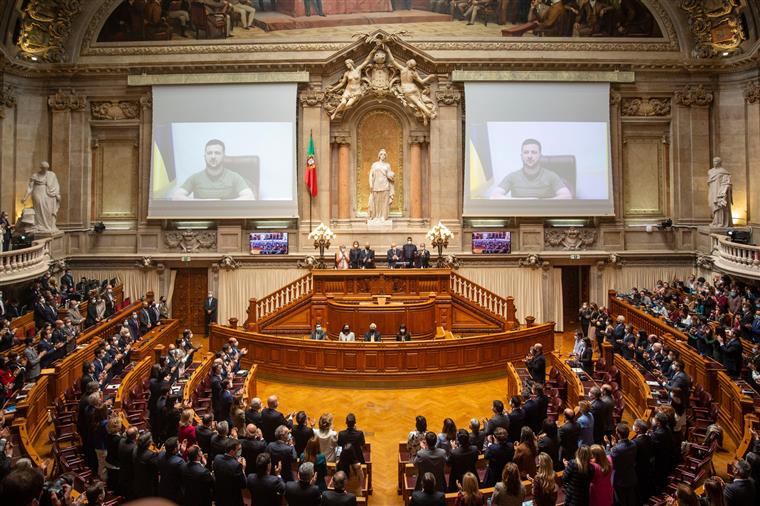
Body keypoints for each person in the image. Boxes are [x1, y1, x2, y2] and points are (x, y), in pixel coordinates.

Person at [172, 139, 254, 200]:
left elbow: (250, 197)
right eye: (209, 153)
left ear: (224, 156)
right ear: (205, 156)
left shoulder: (234, 177)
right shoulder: (195, 177)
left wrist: (222, 204)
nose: (213, 156)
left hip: (226, 216)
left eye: (217, 153)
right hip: (203, 218)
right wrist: (203, 202)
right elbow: (176, 197)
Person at [491, 139, 571, 199]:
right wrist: (525, 201)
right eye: (526, 152)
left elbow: (567, 196)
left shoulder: (551, 176)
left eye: (534, 152)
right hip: (520, 215)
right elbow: (494, 195)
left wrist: (541, 203)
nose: (529, 156)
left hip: (543, 214)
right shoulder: (512, 176)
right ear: (521, 156)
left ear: (540, 155)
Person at [20, 161, 61, 233]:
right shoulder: (35, 175)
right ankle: (40, 225)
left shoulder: (52, 175)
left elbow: (56, 185)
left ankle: (49, 226)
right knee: (39, 208)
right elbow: (30, 188)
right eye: (44, 168)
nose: (45, 170)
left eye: (46, 168)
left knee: (48, 210)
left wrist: (56, 194)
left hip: (49, 194)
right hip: (37, 193)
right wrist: (25, 198)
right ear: (41, 168)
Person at [609, 423, 637, 506]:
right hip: (631, 475)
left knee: (621, 501)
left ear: (618, 434)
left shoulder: (616, 449)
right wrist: (615, 445)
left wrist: (609, 445)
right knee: (630, 499)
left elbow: (610, 459)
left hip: (620, 479)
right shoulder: (633, 444)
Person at [213, 438, 246, 505]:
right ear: (231, 451)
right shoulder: (237, 466)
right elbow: (243, 485)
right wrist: (243, 469)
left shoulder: (217, 458)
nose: (240, 451)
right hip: (232, 499)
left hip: (219, 496)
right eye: (238, 449)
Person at [368, 149, 395, 222]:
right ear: (379, 155)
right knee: (376, 202)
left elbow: (389, 175)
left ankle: (383, 216)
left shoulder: (387, 165)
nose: (383, 156)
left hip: (385, 185)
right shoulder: (375, 164)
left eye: (384, 155)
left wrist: (392, 175)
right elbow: (371, 175)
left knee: (384, 202)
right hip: (376, 185)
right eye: (381, 154)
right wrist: (371, 184)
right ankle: (376, 216)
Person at [157, 437, 185, 504]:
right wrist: (181, 454)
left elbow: (172, 457)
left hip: (163, 489)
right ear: (175, 449)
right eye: (178, 444)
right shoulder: (179, 462)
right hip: (175, 492)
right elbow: (185, 474)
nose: (180, 445)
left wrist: (180, 453)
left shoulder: (160, 455)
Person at [707, 156, 733, 228]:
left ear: (720, 163)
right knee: (711, 205)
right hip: (712, 191)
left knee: (720, 206)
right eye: (714, 161)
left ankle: (720, 222)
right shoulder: (710, 171)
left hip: (719, 191)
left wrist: (723, 191)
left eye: (716, 161)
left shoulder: (724, 172)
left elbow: (727, 183)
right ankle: (715, 221)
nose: (715, 163)